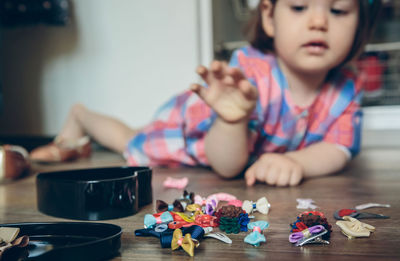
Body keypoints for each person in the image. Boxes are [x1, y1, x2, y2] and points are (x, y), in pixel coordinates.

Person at [31, 0, 382, 187]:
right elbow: (227, 166)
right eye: (300, 7)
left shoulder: (345, 88)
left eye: (337, 10)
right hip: (196, 134)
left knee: (130, 136)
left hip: (245, 150)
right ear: (270, 17)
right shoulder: (248, 75)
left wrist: (296, 163)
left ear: (360, 23)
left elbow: (339, 148)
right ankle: (80, 115)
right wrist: (234, 120)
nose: (318, 21)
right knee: (130, 140)